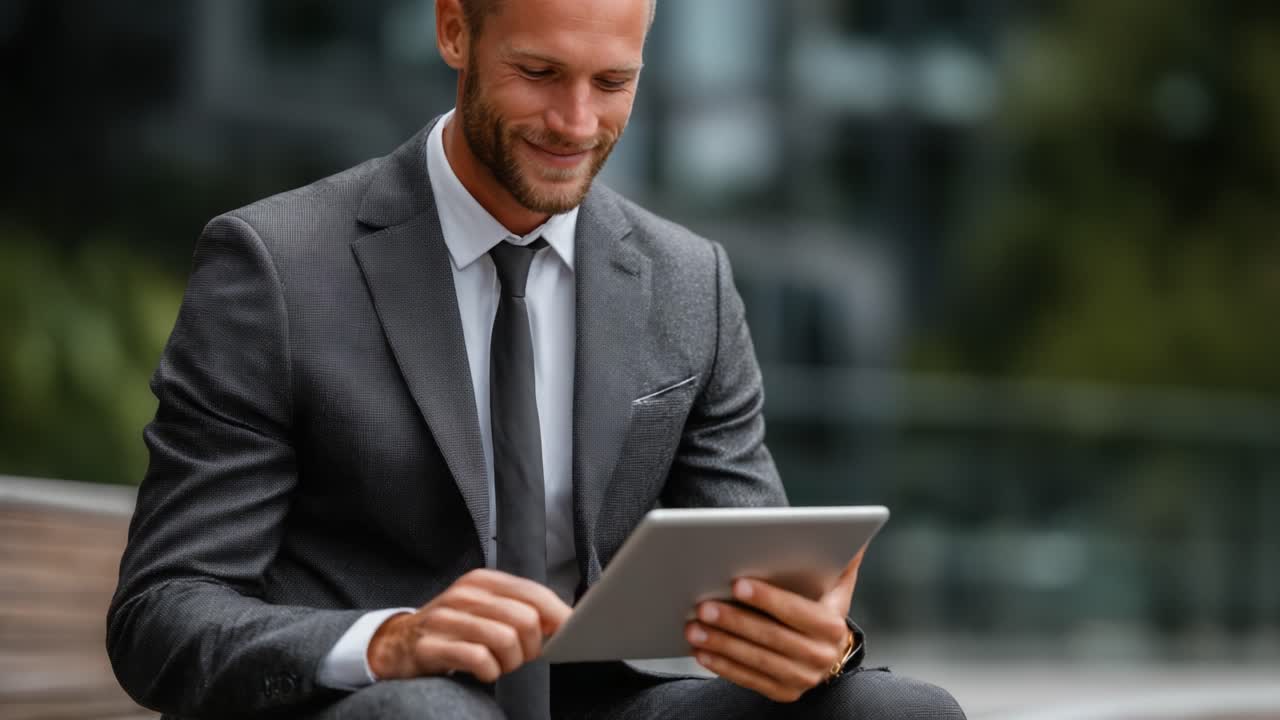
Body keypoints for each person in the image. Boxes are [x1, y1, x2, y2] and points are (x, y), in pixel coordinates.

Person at [107, 0, 965, 718]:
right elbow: (163, 613)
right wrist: (390, 640)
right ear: (454, 30)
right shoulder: (276, 266)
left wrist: (815, 641)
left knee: (900, 711)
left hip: (601, 705)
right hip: (383, 708)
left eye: (613, 83)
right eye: (541, 74)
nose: (577, 123)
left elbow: (758, 585)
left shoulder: (688, 282)